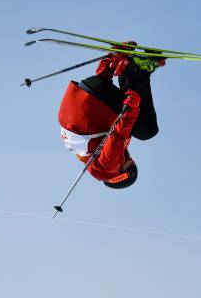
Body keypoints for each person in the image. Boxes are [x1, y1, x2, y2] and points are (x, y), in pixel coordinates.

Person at [57, 43, 165, 189]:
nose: (131, 160)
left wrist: (131, 111)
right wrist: (109, 63)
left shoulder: (107, 170)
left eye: (131, 167)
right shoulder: (88, 156)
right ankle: (120, 61)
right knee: (130, 128)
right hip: (86, 91)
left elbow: (117, 137)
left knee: (147, 131)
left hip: (93, 106)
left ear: (122, 174)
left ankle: (137, 71)